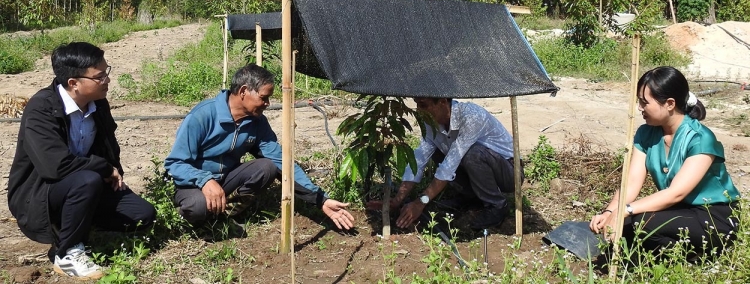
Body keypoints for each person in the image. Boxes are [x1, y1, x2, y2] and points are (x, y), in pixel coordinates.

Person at [7, 42, 156, 280]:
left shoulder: (98, 104)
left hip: (85, 184)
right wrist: (104, 168)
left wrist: (114, 172)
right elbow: (55, 166)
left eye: (107, 72)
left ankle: (78, 221)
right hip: (40, 192)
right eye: (99, 77)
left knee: (142, 215)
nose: (107, 80)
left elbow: (108, 146)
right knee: (86, 180)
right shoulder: (41, 108)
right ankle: (66, 253)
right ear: (73, 83)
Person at [164, 64, 354, 231]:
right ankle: (198, 217)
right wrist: (205, 180)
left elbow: (280, 160)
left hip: (226, 179)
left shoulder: (257, 122)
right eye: (264, 98)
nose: (267, 104)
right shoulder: (202, 116)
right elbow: (175, 163)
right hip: (193, 183)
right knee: (197, 207)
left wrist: (321, 199)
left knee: (266, 167)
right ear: (244, 91)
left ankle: (225, 215)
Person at [590, 66, 740, 258]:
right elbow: (632, 182)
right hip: (679, 211)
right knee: (622, 225)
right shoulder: (646, 133)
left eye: (644, 102)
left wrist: (624, 211)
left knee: (641, 223)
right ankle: (666, 256)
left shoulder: (700, 138)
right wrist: (610, 212)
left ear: (669, 103)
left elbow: (676, 193)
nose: (639, 108)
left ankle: (691, 260)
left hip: (713, 215)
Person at [368, 97, 521, 230]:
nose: (418, 111)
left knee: (472, 154)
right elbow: (419, 160)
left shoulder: (472, 116)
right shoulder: (430, 124)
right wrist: (397, 200)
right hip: (480, 168)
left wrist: (421, 202)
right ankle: (471, 197)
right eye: (417, 105)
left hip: (509, 173)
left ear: (442, 102)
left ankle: (497, 205)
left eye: (423, 105)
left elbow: (449, 166)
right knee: (437, 151)